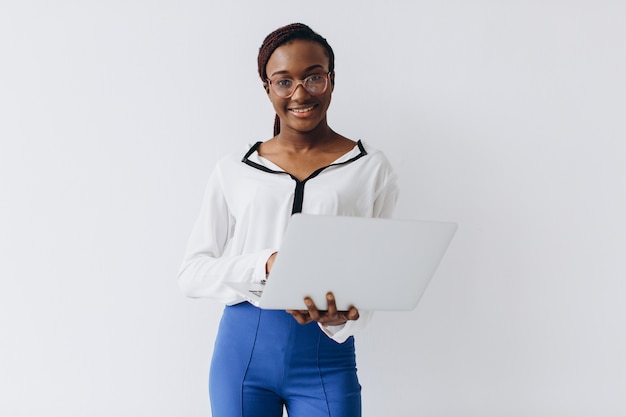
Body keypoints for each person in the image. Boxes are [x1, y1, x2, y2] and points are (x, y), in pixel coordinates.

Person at [178, 23, 399, 417]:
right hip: (242, 354)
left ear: (331, 80)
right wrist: (264, 264)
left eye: (314, 77)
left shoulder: (370, 168)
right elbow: (191, 273)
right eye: (284, 82)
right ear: (268, 88)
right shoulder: (235, 169)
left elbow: (375, 278)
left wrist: (343, 320)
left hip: (326, 356)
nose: (300, 94)